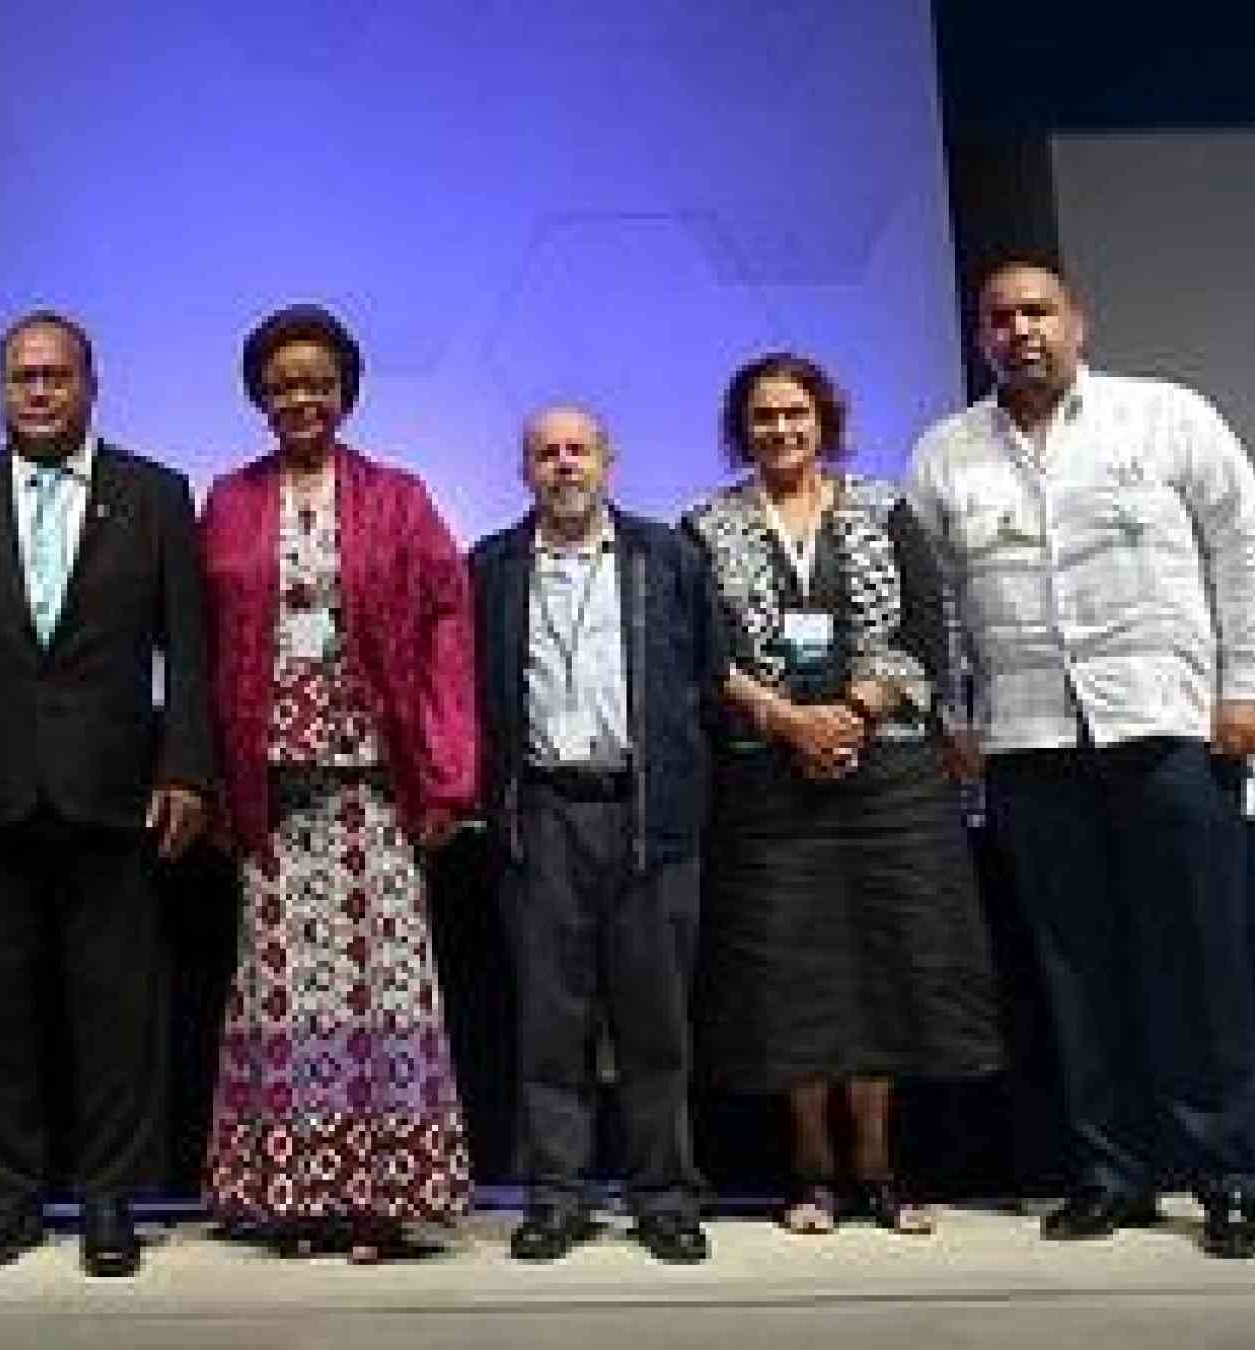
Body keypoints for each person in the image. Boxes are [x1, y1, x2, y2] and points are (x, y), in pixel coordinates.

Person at [908, 260, 1255, 1257]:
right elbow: (935, 607)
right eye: (999, 318)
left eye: (1038, 312)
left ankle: (1228, 1173)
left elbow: (1240, 550)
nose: (1020, 331)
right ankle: (1112, 1173)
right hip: (1029, 740)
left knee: (1199, 962)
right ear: (980, 338)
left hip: (1169, 726)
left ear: (1077, 322)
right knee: (1074, 970)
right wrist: (954, 716)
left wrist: (1243, 690)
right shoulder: (949, 454)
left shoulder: (1167, 418)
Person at [0, 310, 214, 1278]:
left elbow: (190, 652)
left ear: (91, 385)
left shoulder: (155, 494)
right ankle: (4, 1202)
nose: (38, 392)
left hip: (116, 795)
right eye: (21, 378)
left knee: (117, 1014)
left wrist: (187, 768)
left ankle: (111, 1202)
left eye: (56, 376)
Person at [685, 353, 1002, 1236]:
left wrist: (849, 715)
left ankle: (878, 1164)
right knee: (792, 974)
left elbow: (921, 635)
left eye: (795, 414)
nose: (780, 430)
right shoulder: (705, 527)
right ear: (740, 431)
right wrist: (790, 722)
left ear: (823, 421)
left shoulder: (884, 509)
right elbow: (704, 657)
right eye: (762, 417)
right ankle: (811, 1167)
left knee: (883, 965)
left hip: (887, 781)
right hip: (765, 780)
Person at [197, 306, 476, 1263]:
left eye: (317, 382)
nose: (300, 398)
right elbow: (202, 647)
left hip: (375, 787)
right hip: (273, 789)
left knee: (383, 992)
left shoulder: (401, 497)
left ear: (346, 390)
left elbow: (446, 631)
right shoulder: (228, 501)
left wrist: (446, 776)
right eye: (281, 385)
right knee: (285, 995)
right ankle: (297, 1194)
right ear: (260, 398)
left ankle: (381, 1198)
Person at [472, 405, 724, 1264]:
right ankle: (557, 1198)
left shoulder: (669, 557)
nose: (564, 465)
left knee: (656, 1021)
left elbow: (706, 684)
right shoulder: (494, 566)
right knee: (551, 1021)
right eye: (547, 454)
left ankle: (664, 1197)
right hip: (541, 814)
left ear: (608, 460)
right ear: (524, 470)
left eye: (579, 450)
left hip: (648, 814)